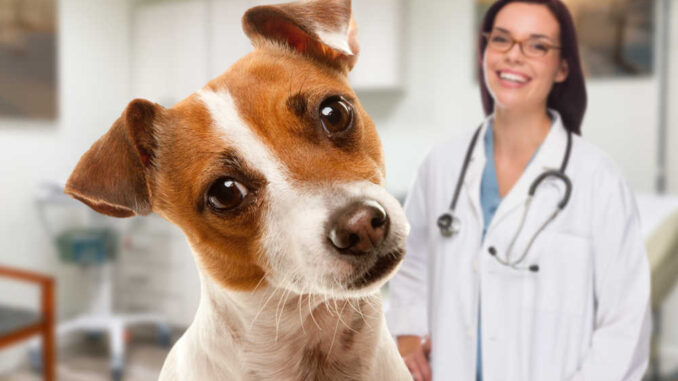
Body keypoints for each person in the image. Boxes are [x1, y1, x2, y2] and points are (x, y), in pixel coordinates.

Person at [386, 0, 651, 380]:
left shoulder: (598, 180)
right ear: (485, 51)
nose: (514, 56)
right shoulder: (442, 165)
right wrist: (408, 336)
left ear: (563, 67)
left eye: (537, 45)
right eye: (502, 40)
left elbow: (626, 322)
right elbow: (410, 263)